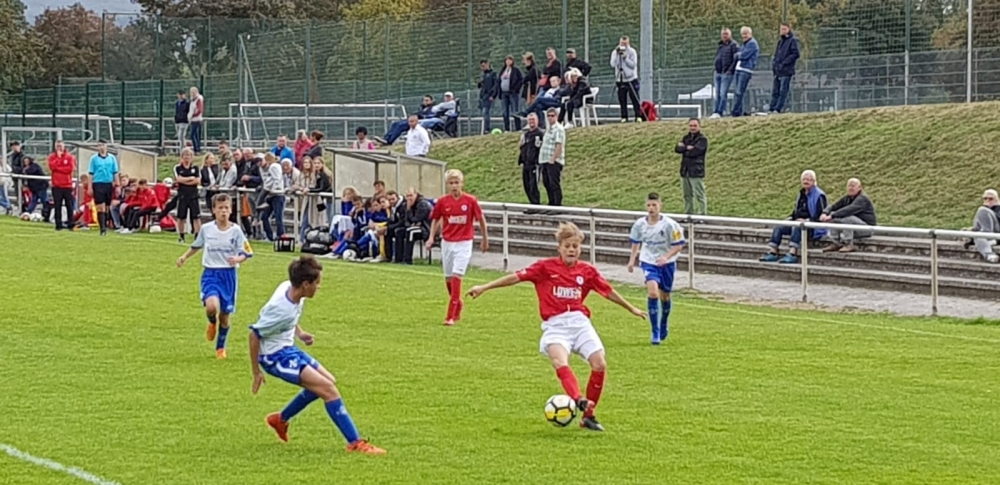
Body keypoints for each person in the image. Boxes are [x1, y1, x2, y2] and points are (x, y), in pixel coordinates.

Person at [467, 222, 647, 432]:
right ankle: (578, 399)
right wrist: (484, 287)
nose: (572, 250)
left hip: (580, 323)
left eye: (575, 246)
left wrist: (631, 308)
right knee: (559, 360)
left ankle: (588, 416)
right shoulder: (544, 267)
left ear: (580, 248)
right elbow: (515, 277)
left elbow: (608, 291)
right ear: (559, 247)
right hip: (555, 325)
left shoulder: (587, 271)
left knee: (599, 364)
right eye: (567, 246)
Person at [249, 256, 386, 455]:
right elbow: (254, 334)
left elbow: (287, 319)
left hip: (288, 348)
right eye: (317, 283)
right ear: (306, 284)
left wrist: (300, 333)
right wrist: (256, 371)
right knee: (328, 390)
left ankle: (280, 419)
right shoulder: (280, 309)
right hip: (274, 357)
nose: (318, 287)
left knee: (328, 381)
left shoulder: (290, 288)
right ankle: (356, 443)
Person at [176, 193, 253, 359]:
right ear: (214, 210)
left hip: (228, 275)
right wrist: (184, 257)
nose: (223, 211)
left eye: (226, 208)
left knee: (224, 316)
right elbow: (197, 245)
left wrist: (238, 259)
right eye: (220, 208)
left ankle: (220, 348)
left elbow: (247, 252)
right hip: (211, 273)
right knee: (211, 307)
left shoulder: (236, 231)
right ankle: (211, 322)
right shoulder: (206, 229)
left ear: (231, 210)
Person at [426, 169, 488, 326]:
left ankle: (450, 316)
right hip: (447, 242)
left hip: (464, 242)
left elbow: (481, 220)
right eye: (451, 183)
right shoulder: (442, 201)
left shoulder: (470, 201)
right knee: (448, 279)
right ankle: (458, 303)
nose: (454, 186)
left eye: (457, 182)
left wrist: (485, 239)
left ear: (462, 183)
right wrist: (431, 237)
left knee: (456, 276)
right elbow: (435, 219)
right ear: (447, 185)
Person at [627, 193, 686, 344]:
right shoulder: (640, 224)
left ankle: (664, 321)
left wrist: (666, 257)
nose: (651, 208)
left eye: (654, 205)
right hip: (648, 261)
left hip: (667, 263)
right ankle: (655, 331)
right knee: (653, 293)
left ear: (660, 206)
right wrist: (632, 260)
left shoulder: (670, 225)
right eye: (649, 205)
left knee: (665, 296)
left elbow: (678, 245)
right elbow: (636, 242)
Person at [759, 170, 828, 264]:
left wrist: (807, 220)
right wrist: (790, 218)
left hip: (813, 227)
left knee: (797, 226)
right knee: (779, 226)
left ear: (814, 181)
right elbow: (796, 211)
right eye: (804, 179)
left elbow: (821, 215)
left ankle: (792, 254)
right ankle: (773, 252)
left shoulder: (819, 195)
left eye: (808, 180)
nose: (806, 182)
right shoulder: (801, 194)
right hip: (798, 222)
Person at [820, 178, 877, 253]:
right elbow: (834, 206)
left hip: (866, 228)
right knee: (833, 215)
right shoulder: (847, 198)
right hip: (854, 227)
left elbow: (849, 209)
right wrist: (825, 213)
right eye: (849, 186)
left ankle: (849, 244)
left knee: (847, 217)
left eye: (853, 186)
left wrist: (832, 216)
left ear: (860, 187)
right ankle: (835, 243)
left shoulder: (862, 198)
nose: (850, 188)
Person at [674, 118, 708, 215]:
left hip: (696, 171)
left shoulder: (702, 140)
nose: (692, 128)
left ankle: (702, 214)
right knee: (687, 195)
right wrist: (687, 148)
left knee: (699, 194)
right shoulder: (686, 138)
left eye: (695, 125)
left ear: (699, 126)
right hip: (685, 170)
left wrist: (684, 148)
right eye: (691, 125)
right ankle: (688, 213)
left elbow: (695, 152)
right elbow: (677, 149)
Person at [88, 140, 120, 236]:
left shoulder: (112, 158)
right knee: (100, 206)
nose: (101, 147)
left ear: (106, 146)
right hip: (98, 183)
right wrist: (90, 187)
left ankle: (105, 225)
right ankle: (102, 229)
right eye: (99, 145)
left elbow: (115, 172)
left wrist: (117, 185)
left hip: (108, 184)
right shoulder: (94, 159)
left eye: (103, 145)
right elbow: (90, 173)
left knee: (106, 207)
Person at [610, 36, 645, 123]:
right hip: (620, 79)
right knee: (622, 99)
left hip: (631, 78)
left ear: (628, 43)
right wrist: (618, 55)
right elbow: (613, 64)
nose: (623, 46)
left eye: (625, 44)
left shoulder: (632, 52)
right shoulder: (615, 52)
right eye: (622, 43)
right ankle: (624, 117)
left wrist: (626, 58)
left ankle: (638, 116)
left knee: (634, 98)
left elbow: (633, 65)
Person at [768, 23, 800, 115]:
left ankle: (778, 109)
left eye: (784, 29)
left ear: (789, 29)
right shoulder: (780, 42)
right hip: (778, 71)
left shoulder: (793, 41)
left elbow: (796, 54)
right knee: (775, 91)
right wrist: (775, 65)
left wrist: (784, 63)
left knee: (783, 91)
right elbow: (777, 55)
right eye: (781, 29)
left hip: (786, 71)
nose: (783, 31)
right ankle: (772, 108)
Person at [395, 188, 432, 264]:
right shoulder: (406, 205)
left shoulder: (422, 204)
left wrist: (409, 210)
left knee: (410, 232)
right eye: (407, 196)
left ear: (416, 195)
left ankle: (407, 260)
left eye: (411, 195)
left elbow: (416, 219)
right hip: (414, 227)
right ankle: (398, 259)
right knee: (399, 231)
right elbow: (406, 221)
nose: (409, 198)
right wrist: (410, 223)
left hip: (425, 229)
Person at [173, 148, 202, 243]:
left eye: (189, 155)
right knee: (181, 217)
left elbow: (197, 181)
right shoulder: (178, 168)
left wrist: (185, 181)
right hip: (182, 196)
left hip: (193, 195)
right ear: (182, 157)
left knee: (196, 217)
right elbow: (178, 179)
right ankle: (181, 236)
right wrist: (190, 178)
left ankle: (197, 236)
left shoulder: (195, 168)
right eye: (185, 155)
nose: (187, 157)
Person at [965, 189, 1000, 263]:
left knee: (981, 210)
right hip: (987, 235)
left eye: (991, 199)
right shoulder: (986, 210)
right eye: (985, 198)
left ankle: (987, 236)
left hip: (995, 233)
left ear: (996, 199)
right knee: (978, 236)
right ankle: (990, 255)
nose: (988, 200)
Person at [711, 28, 739, 119]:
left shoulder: (734, 45)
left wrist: (730, 70)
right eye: (723, 34)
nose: (724, 36)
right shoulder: (720, 45)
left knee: (723, 94)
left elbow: (735, 59)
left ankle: (720, 111)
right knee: (717, 94)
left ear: (730, 34)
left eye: (726, 34)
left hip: (726, 73)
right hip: (718, 72)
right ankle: (716, 111)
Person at [540, 109, 565, 208]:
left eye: (552, 116)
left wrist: (553, 158)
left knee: (554, 183)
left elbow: (559, 145)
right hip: (545, 160)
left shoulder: (558, 129)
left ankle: (557, 203)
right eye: (548, 116)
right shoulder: (548, 129)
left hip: (553, 161)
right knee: (546, 182)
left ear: (556, 117)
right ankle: (551, 203)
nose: (550, 118)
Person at [48, 140, 76, 231]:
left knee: (69, 205)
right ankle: (58, 224)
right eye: (57, 146)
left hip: (67, 185)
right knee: (57, 205)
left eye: (60, 146)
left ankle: (71, 224)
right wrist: (59, 159)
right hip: (56, 185)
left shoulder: (69, 157)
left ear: (64, 147)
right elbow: (52, 167)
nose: (59, 148)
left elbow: (70, 169)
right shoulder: (52, 157)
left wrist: (58, 168)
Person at [732, 26, 760, 117]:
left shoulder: (752, 44)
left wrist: (738, 55)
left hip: (745, 69)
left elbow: (743, 55)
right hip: (739, 69)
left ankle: (736, 112)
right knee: (738, 92)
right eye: (742, 34)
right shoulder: (745, 44)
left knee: (739, 91)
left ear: (750, 34)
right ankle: (739, 111)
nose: (744, 36)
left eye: (746, 34)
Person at [518, 113, 544, 207]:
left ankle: (536, 204)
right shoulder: (526, 134)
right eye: (529, 120)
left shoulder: (540, 133)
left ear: (537, 120)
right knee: (527, 185)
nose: (531, 122)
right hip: (526, 163)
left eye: (533, 119)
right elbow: (522, 147)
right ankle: (531, 204)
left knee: (534, 185)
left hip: (534, 164)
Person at [498, 55, 524, 132]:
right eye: (507, 60)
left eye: (510, 60)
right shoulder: (503, 70)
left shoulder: (516, 70)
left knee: (515, 111)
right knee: (505, 112)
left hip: (513, 94)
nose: (508, 62)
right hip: (504, 93)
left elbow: (521, 80)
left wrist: (515, 89)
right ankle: (507, 129)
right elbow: (499, 81)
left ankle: (518, 128)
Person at [478, 60, 500, 134]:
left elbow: (496, 85)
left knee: (485, 112)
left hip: (488, 96)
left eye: (484, 66)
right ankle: (485, 128)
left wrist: (493, 95)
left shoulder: (493, 74)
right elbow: (480, 86)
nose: (483, 68)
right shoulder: (482, 75)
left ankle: (487, 129)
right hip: (483, 96)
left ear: (488, 65)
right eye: (482, 66)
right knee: (483, 112)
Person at [188, 87, 205, 153]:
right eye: (191, 92)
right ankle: (197, 149)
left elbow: (199, 110)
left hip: (197, 119)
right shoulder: (192, 100)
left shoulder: (198, 99)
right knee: (195, 135)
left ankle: (196, 149)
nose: (192, 93)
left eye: (193, 92)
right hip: (193, 120)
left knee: (192, 135)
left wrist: (193, 115)